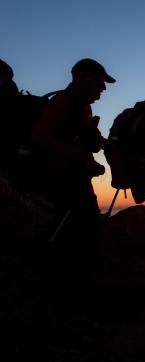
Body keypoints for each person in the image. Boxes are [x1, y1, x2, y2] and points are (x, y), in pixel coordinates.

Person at [30, 58, 115, 316]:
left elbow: (80, 142)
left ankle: (76, 301)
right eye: (99, 81)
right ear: (81, 78)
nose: (103, 87)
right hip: (63, 184)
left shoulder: (81, 107)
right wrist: (79, 156)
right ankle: (68, 307)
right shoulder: (64, 102)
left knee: (86, 241)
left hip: (75, 182)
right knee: (76, 244)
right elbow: (40, 139)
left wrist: (91, 160)